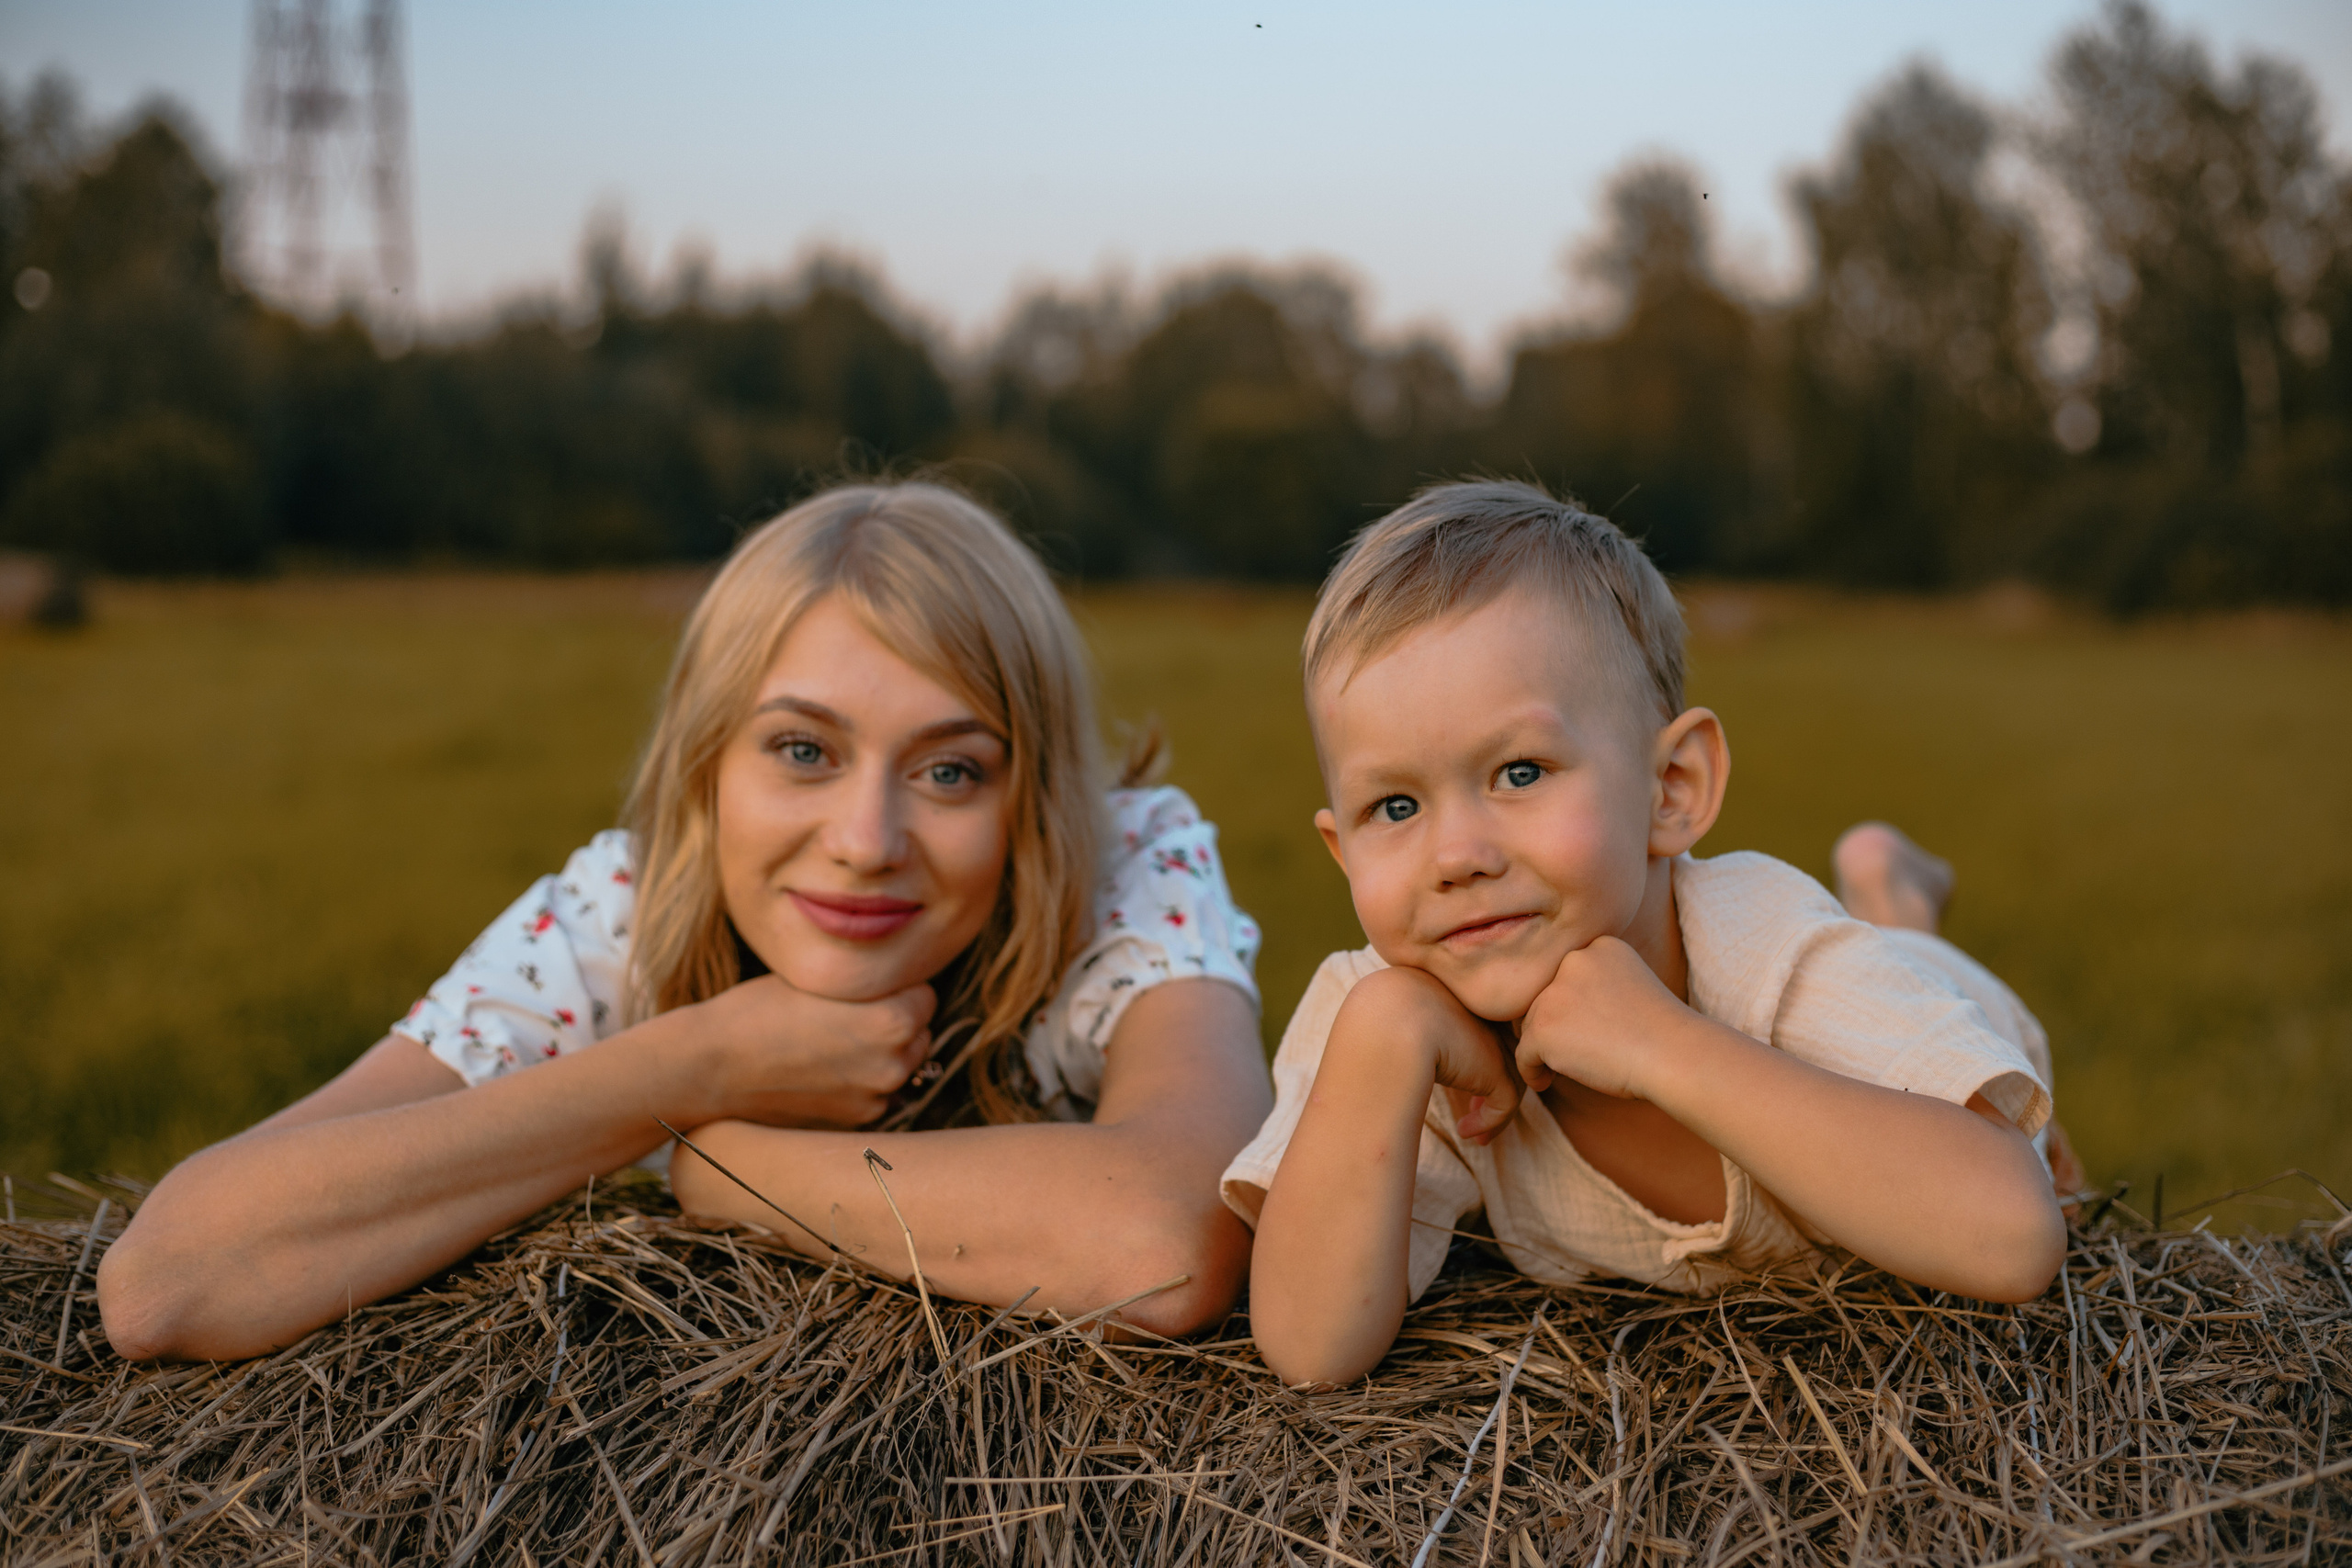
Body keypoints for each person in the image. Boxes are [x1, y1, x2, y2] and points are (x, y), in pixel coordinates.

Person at [100, 481, 1273, 1362]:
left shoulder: (1128, 869)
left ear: (1039, 798)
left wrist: (728, 1166)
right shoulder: (617, 917)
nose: (867, 840)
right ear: (705, 766)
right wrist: (685, 1062)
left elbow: (1168, 1243)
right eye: (802, 751)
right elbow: (170, 1281)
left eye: (952, 772)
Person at [1228, 480, 2072, 1387]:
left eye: (1518, 772)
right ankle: (1881, 885)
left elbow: (2014, 1240)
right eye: (1394, 806)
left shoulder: (1772, 952)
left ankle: (1890, 901)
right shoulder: (1382, 1014)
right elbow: (1308, 1350)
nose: (1456, 856)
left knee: (2018, 1117)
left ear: (1670, 790)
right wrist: (1385, 1038)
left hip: (1911, 1002)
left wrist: (1659, 1043)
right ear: (1342, 850)